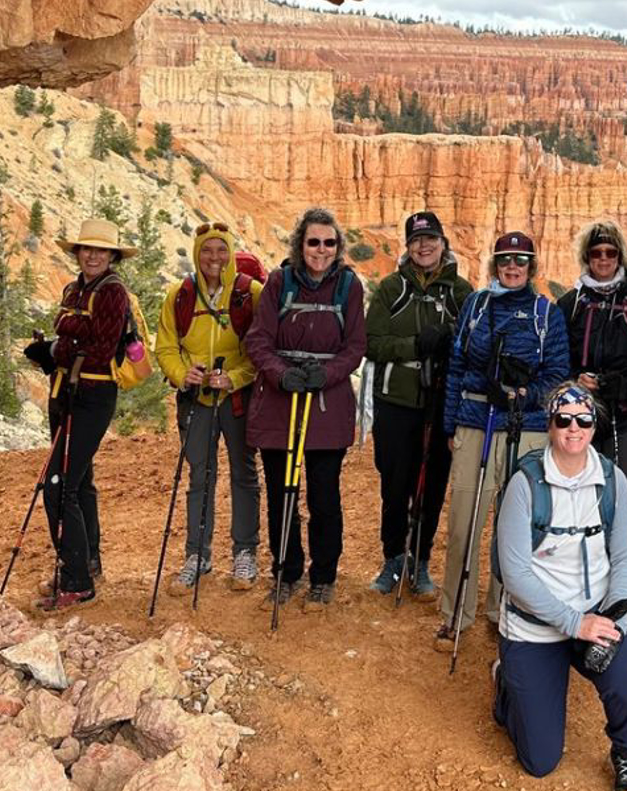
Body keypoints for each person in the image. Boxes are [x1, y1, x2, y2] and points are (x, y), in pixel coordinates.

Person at [489, 381, 627, 791]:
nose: (574, 429)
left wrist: (613, 618)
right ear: (550, 425)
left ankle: (625, 750)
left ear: (594, 426)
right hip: (536, 627)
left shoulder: (611, 480)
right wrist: (572, 623)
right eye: (564, 420)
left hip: (597, 614)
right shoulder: (526, 484)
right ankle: (507, 685)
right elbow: (515, 572)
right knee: (539, 761)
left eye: (584, 420)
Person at [435, 231, 571, 649]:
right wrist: (450, 425)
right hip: (476, 423)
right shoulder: (477, 306)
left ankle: (504, 608)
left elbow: (557, 374)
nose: (512, 268)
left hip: (525, 428)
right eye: (505, 260)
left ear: (532, 268)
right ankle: (455, 611)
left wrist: (523, 393)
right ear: (495, 265)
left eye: (521, 261)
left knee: (514, 526)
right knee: (464, 522)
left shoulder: (545, 314)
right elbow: (456, 366)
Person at [554, 222, 627, 657]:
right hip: (580, 426)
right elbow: (557, 359)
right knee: (580, 508)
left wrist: (614, 387)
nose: (603, 260)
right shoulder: (571, 305)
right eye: (597, 253)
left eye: (610, 253)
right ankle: (595, 602)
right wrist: (575, 382)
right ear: (587, 257)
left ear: (620, 256)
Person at [244, 207, 366, 608]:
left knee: (324, 495)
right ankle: (285, 572)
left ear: (338, 246)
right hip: (281, 401)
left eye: (329, 242)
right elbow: (258, 340)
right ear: (301, 244)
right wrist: (282, 374)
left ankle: (323, 576)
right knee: (281, 493)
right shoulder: (280, 282)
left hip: (326, 404)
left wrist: (325, 374)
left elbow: (355, 347)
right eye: (314, 241)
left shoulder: (349, 286)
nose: (321, 250)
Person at [21, 217, 134, 612]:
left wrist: (55, 348)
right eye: (87, 248)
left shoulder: (113, 293)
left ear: (111, 255)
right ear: (78, 252)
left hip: (94, 393)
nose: (93, 255)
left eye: (100, 250)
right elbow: (81, 339)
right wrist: (59, 349)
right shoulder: (74, 289)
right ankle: (86, 560)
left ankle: (77, 581)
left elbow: (102, 349)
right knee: (81, 481)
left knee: (58, 485)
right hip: (66, 391)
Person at [363, 210, 473, 596]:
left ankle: (420, 561)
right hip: (395, 400)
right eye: (416, 240)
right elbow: (370, 341)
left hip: (439, 399)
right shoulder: (393, 288)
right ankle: (393, 557)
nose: (424, 246)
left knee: (432, 484)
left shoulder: (460, 292)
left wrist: (445, 343)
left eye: (431, 239)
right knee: (395, 484)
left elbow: (473, 342)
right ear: (407, 246)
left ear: (443, 243)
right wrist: (414, 346)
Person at [155, 221, 262, 593]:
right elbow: (166, 346)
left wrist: (236, 377)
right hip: (196, 398)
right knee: (200, 474)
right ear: (196, 253)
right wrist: (184, 373)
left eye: (221, 249)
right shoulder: (179, 296)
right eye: (206, 250)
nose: (214, 257)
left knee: (243, 473)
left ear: (231, 253)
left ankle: (245, 554)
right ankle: (197, 555)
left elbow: (261, 349)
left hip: (237, 398)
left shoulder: (252, 294)